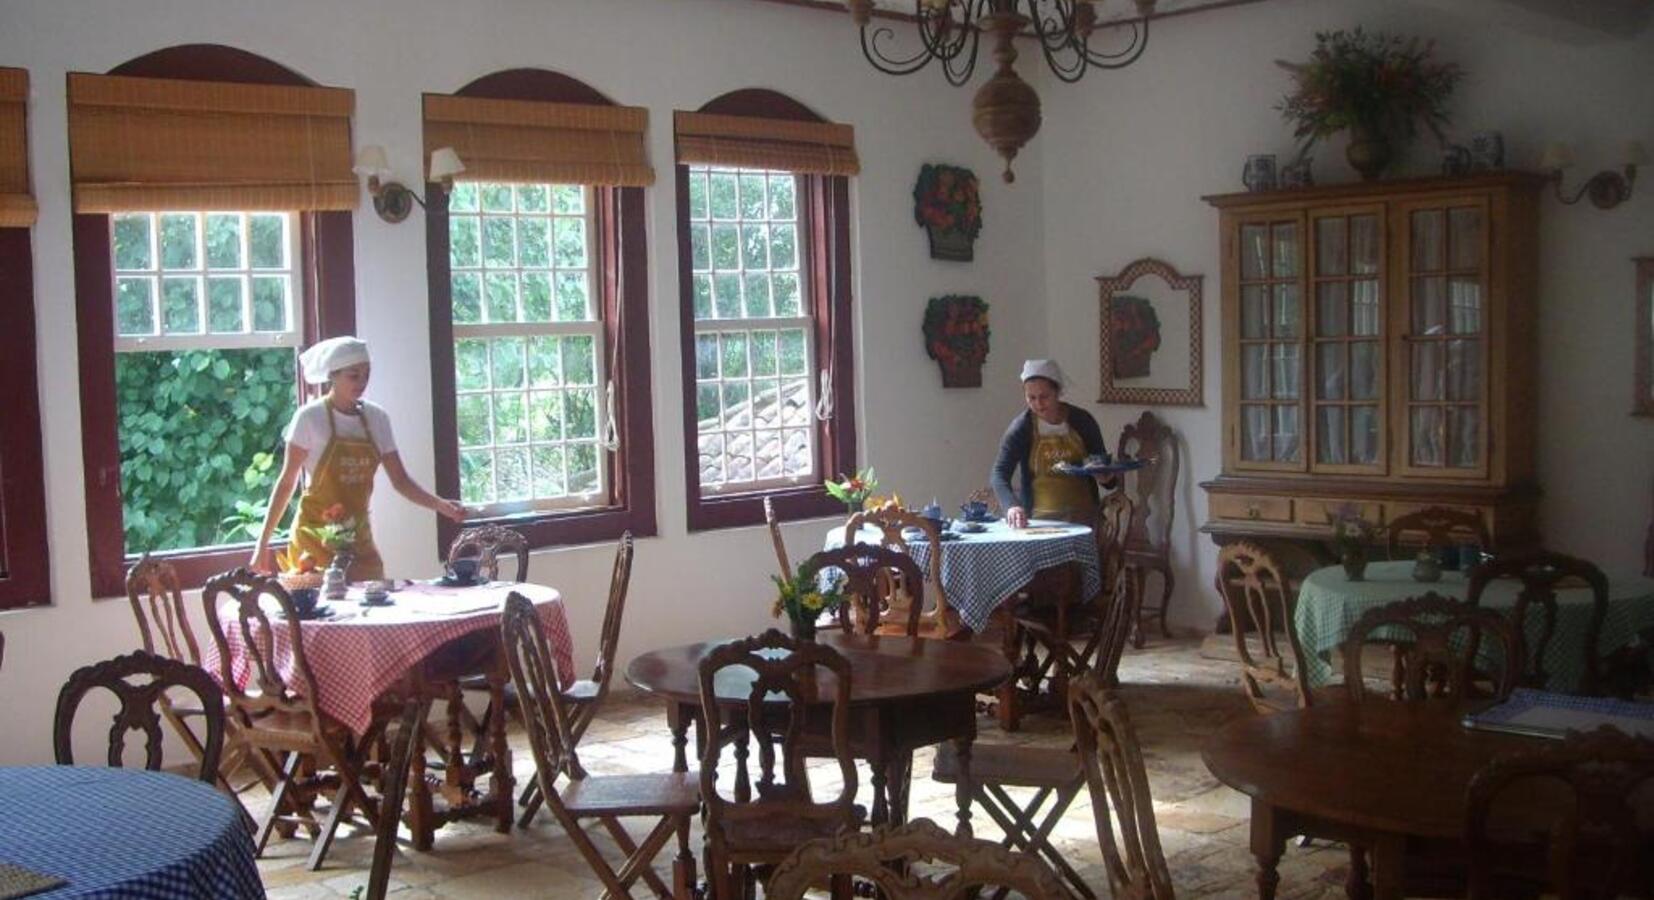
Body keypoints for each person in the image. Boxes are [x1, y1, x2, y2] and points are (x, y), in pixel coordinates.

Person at [250, 336, 467, 580]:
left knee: (374, 600)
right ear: (332, 375)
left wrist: (441, 506)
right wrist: (262, 544)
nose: (362, 382)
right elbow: (286, 482)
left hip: (358, 540)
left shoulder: (377, 419)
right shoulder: (309, 418)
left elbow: (401, 481)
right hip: (315, 540)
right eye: (353, 376)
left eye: (366, 375)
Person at [990, 359, 1117, 528]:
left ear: (1057, 392)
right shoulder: (1021, 429)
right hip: (1039, 521)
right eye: (1031, 398)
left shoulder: (1083, 421)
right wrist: (1011, 506)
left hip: (1085, 519)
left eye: (1044, 397)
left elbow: (1105, 473)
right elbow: (999, 474)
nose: (1038, 404)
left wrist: (1106, 477)